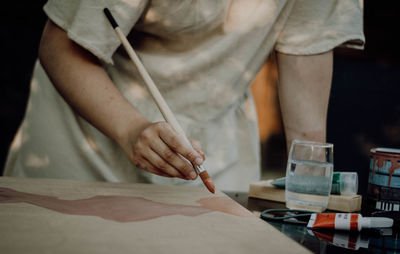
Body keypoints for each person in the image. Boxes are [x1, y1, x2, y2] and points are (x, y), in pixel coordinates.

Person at [4, 0, 364, 191]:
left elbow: (307, 54)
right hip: (87, 140)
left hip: (214, 141)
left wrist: (311, 188)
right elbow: (58, 46)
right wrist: (132, 130)